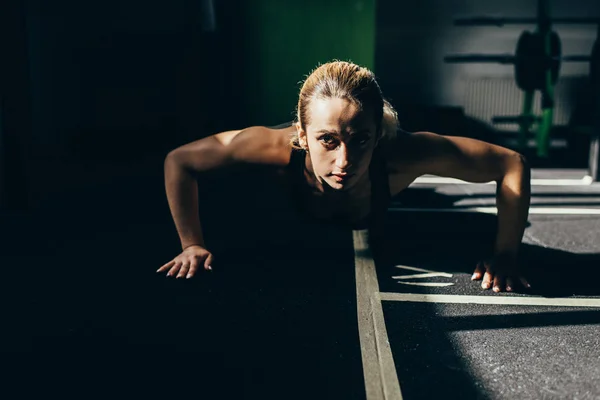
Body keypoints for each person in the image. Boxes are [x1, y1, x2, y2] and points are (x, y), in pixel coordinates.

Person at [157, 60, 532, 293]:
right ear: (302, 135)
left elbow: (511, 163)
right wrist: (192, 243)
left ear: (377, 134)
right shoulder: (269, 146)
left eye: (360, 140)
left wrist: (506, 254)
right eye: (328, 141)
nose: (344, 161)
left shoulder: (402, 153)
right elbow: (179, 161)